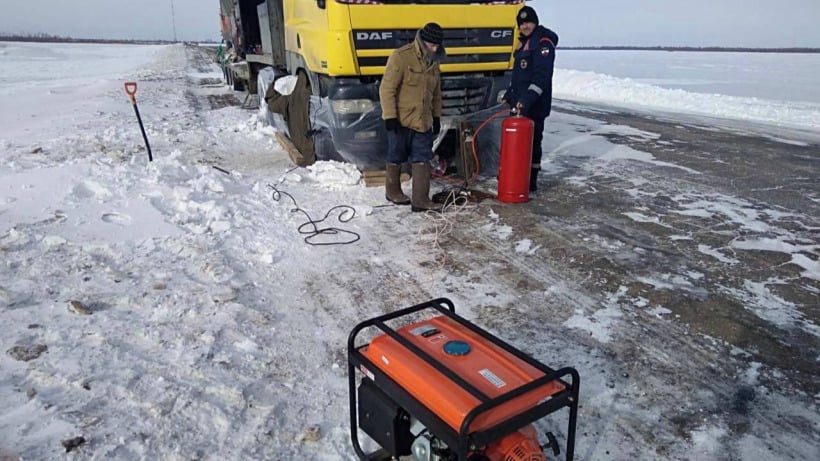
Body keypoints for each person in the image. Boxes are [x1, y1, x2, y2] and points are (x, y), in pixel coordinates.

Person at [379, 22, 445, 212]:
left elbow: (437, 93)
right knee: (396, 155)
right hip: (401, 120)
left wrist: (436, 117)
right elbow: (387, 89)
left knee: (423, 157)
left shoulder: (434, 62)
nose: (434, 49)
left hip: (423, 121)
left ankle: (420, 200)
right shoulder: (401, 57)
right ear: (422, 41)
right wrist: (390, 116)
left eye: (436, 46)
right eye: (431, 45)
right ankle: (392, 191)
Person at [502, 6, 559, 192]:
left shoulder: (543, 43)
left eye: (528, 22)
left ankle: (530, 181)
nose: (525, 26)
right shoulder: (524, 42)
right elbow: (519, 76)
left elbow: (541, 77)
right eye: (522, 23)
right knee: (516, 143)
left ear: (535, 22)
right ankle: (514, 175)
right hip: (519, 104)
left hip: (534, 105)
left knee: (533, 144)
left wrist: (526, 100)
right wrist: (510, 94)